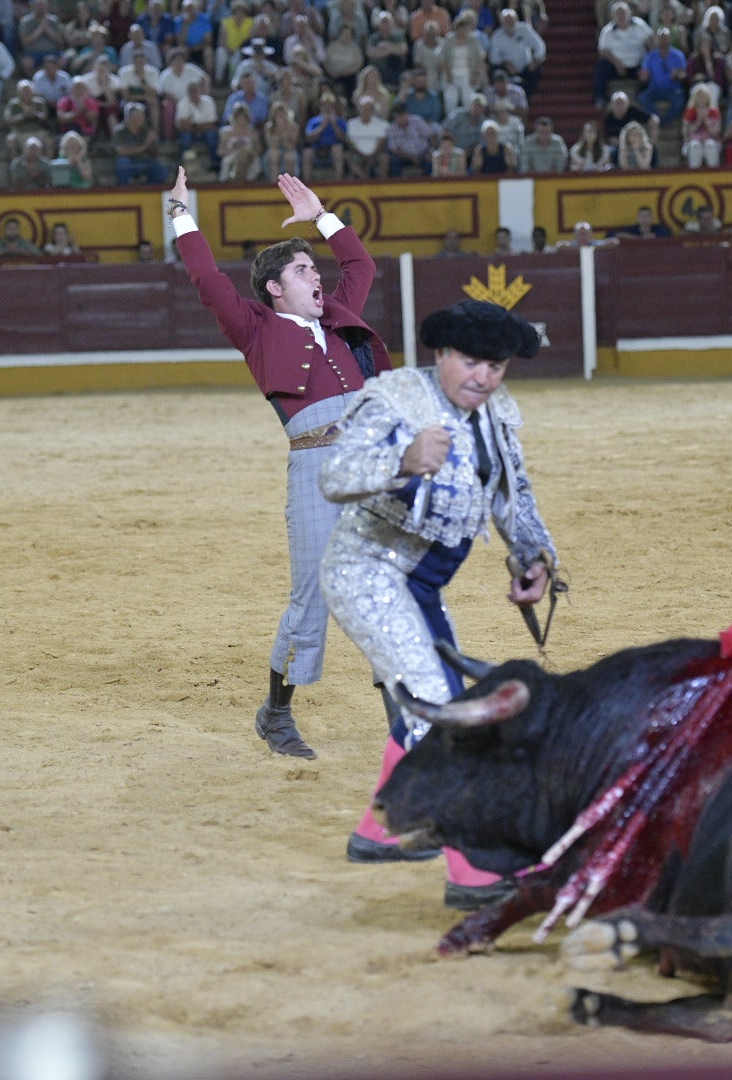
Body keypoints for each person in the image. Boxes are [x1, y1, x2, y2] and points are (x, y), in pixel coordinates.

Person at [318, 299, 558, 908]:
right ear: (442, 355)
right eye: (472, 363)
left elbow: (512, 495)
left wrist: (532, 559)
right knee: (442, 712)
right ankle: (475, 871)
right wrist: (401, 461)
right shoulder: (396, 398)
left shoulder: (496, 414)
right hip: (366, 571)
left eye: (497, 367)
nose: (483, 378)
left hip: (419, 585)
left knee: (437, 700)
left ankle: (381, 830)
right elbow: (335, 475)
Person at [168, 167, 393, 761]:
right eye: (300, 270)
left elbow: (360, 266)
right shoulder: (256, 329)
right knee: (313, 597)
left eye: (313, 268)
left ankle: (406, 718)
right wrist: (180, 215)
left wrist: (322, 217)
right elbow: (208, 279)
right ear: (274, 288)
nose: (314, 276)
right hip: (316, 470)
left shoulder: (338, 315)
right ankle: (275, 714)